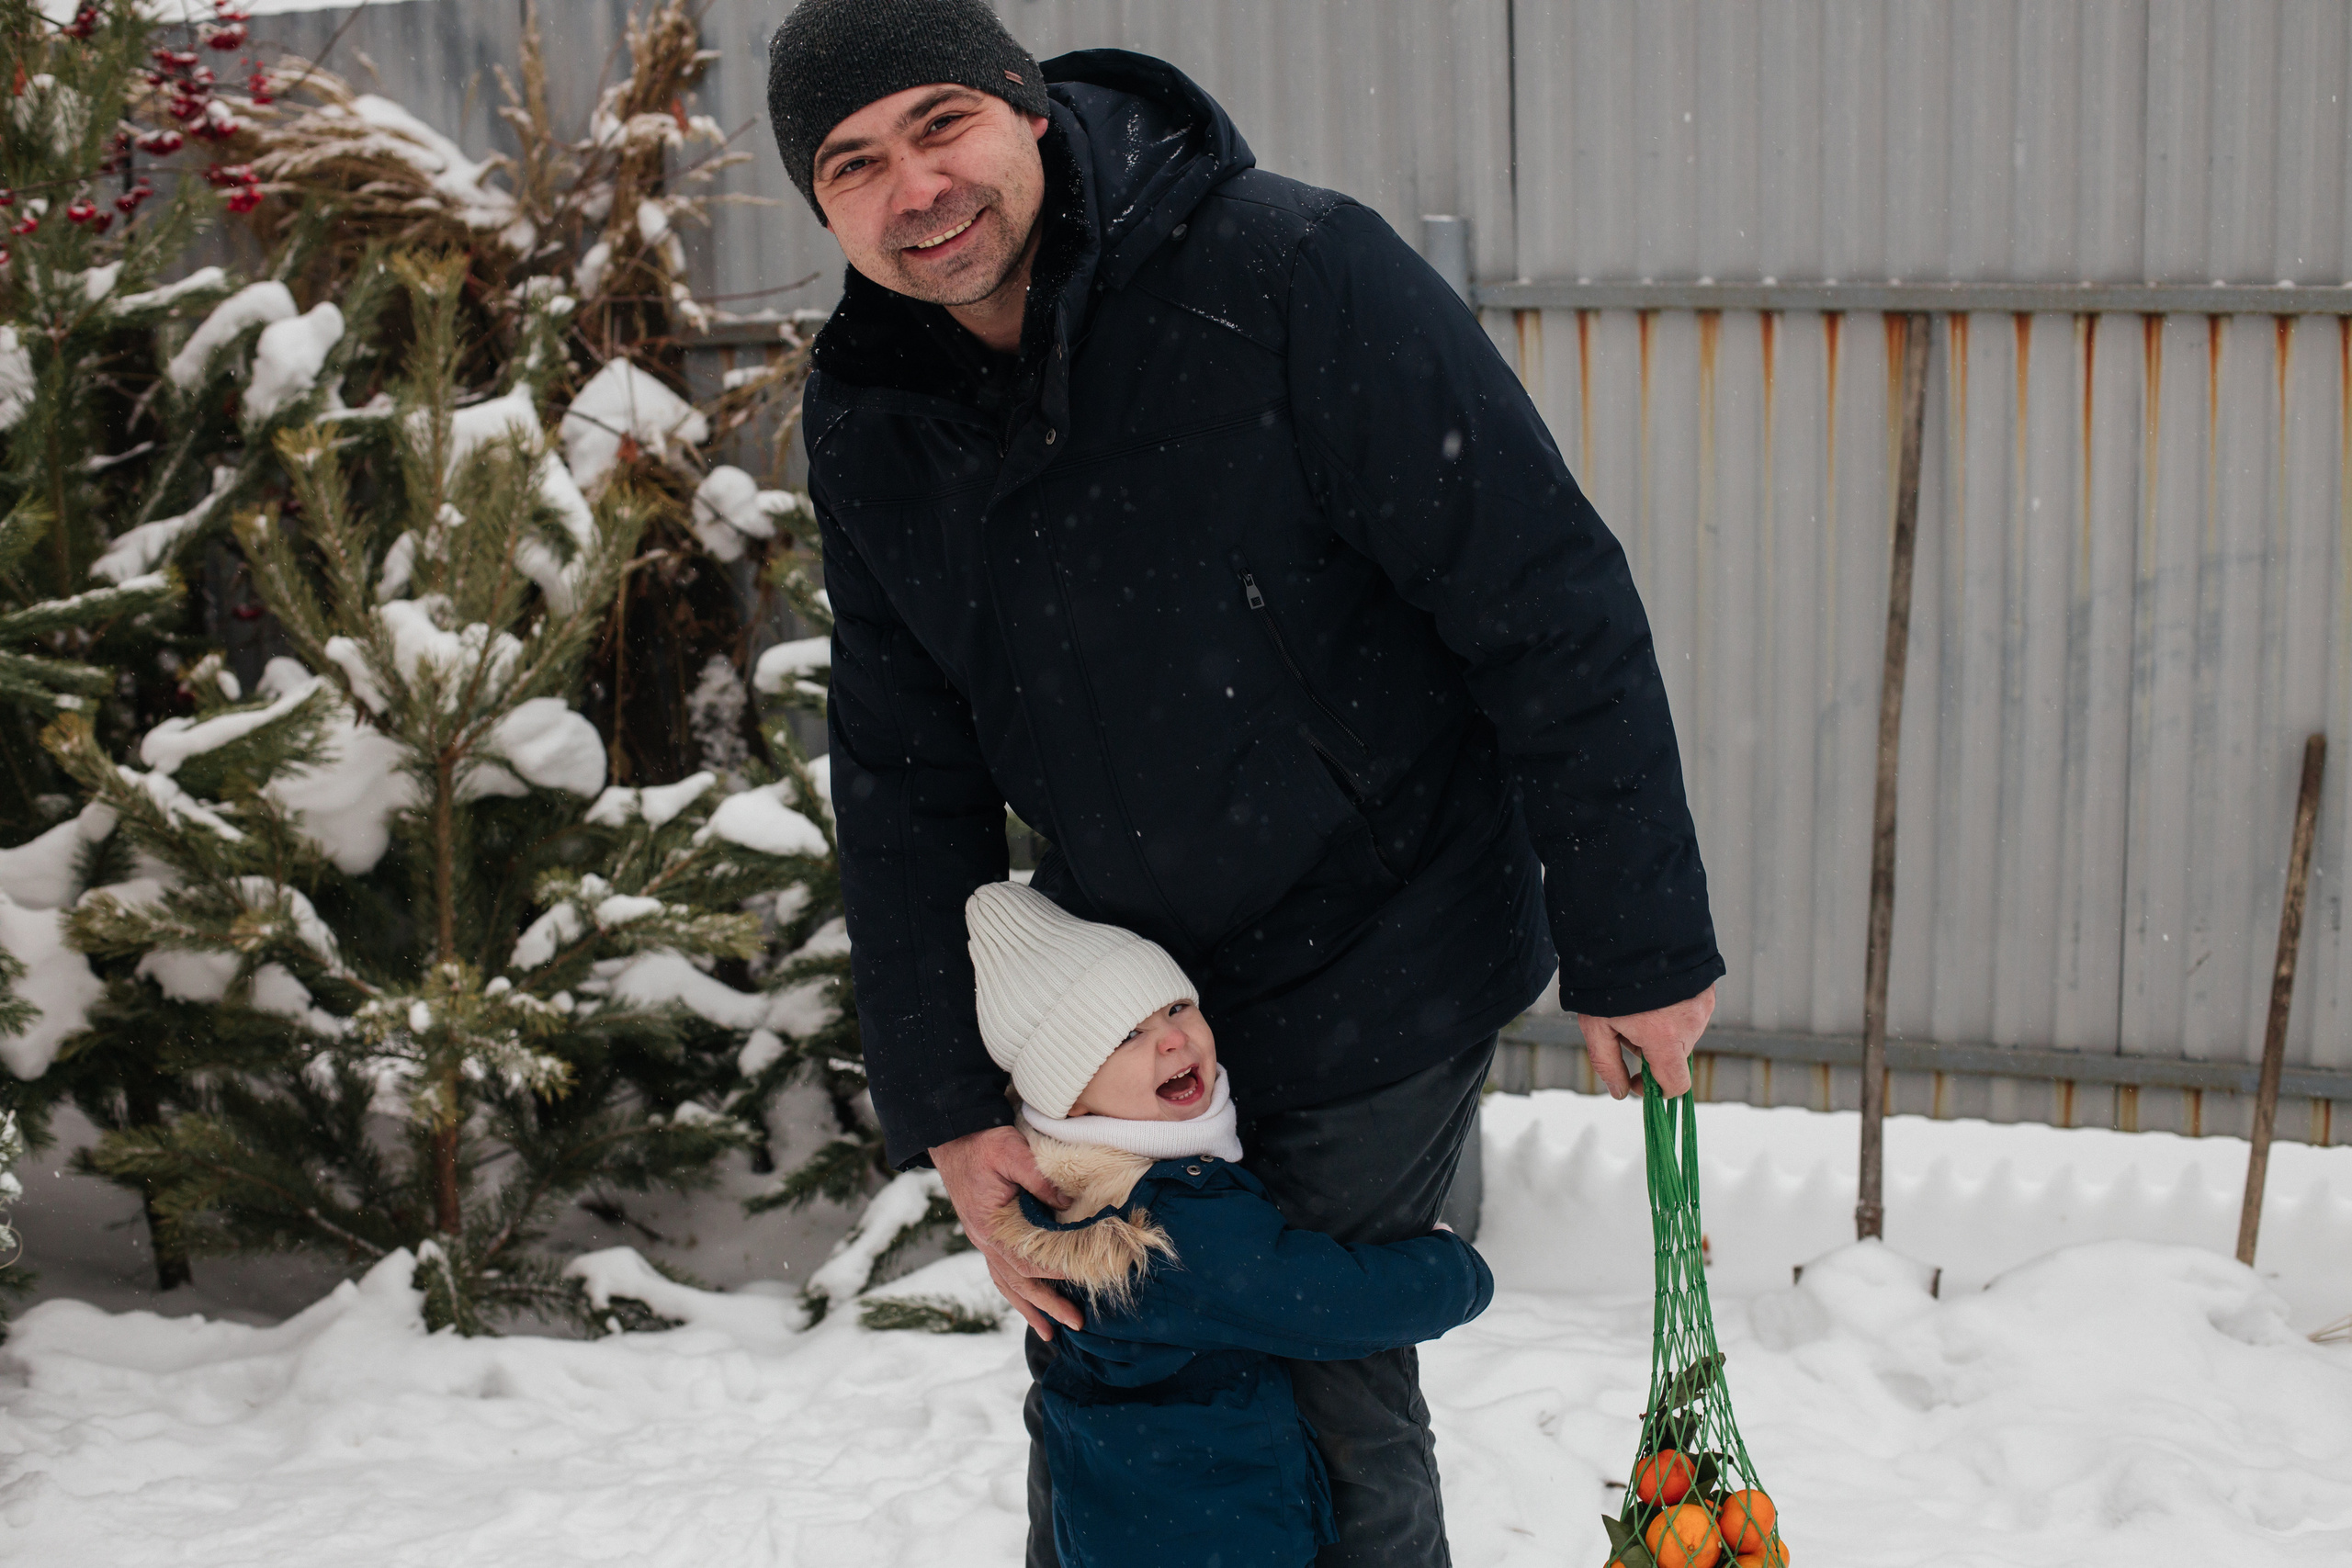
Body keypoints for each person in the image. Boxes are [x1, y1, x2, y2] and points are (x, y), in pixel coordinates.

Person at [764, 3, 1724, 1563]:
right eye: (853, 163)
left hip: (1382, 934)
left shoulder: (1286, 276)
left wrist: (1642, 941)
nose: (913, 188)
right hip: (1122, 992)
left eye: (942, 124)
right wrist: (944, 1098)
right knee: (1110, 1349)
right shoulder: (871, 410)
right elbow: (901, 766)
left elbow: (1545, 599)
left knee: (1327, 1377)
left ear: (1027, 109)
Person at [967, 879, 1492, 1568]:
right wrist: (1456, 1275)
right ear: (1069, 1093)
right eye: (1127, 1034)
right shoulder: (1169, 1226)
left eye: (1177, 1005)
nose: (1173, 1038)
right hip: (1221, 1537)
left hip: (1140, 1525)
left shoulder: (1070, 1193)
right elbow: (1326, 1302)